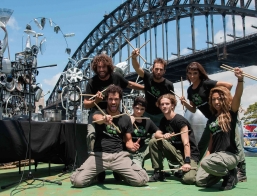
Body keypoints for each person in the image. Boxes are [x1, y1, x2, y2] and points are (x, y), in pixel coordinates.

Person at [70, 85, 149, 187]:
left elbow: (128, 141)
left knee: (141, 180)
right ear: (107, 99)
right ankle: (97, 175)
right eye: (110, 99)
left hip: (119, 156)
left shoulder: (125, 118)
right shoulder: (99, 113)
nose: (113, 102)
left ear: (120, 100)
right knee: (77, 181)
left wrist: (132, 146)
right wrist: (104, 119)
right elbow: (96, 118)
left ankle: (119, 173)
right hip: (99, 155)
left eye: (116, 99)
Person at [180, 62, 246, 182]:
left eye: (195, 73)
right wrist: (185, 103)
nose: (192, 76)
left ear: (200, 74)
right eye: (190, 74)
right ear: (187, 75)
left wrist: (218, 97)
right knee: (203, 143)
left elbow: (229, 85)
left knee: (235, 141)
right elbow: (193, 109)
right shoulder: (190, 91)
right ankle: (195, 166)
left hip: (224, 117)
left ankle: (241, 171)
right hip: (211, 120)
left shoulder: (206, 83)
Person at [84, 53, 144, 152]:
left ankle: (119, 156)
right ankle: (92, 159)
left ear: (109, 67)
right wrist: (96, 101)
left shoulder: (116, 77)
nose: (101, 69)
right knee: (91, 135)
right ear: (95, 68)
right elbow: (86, 104)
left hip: (114, 113)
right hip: (96, 114)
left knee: (121, 134)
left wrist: (145, 88)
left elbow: (129, 84)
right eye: (99, 67)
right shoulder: (92, 82)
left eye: (103, 67)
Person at [195, 67, 244, 191]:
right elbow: (211, 143)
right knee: (200, 181)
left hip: (229, 155)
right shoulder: (211, 119)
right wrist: (206, 157)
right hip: (215, 157)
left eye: (220, 99)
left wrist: (240, 80)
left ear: (225, 99)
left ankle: (230, 174)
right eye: (214, 99)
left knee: (207, 163)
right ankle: (223, 173)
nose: (216, 101)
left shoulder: (230, 112)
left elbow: (237, 96)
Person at [148, 93, 200, 184]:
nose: (164, 106)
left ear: (172, 105)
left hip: (188, 155)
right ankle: (158, 172)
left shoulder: (180, 121)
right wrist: (164, 136)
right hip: (175, 153)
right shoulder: (163, 120)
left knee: (189, 179)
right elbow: (157, 134)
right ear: (159, 106)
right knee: (154, 141)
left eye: (167, 104)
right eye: (162, 104)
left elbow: (186, 143)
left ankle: (191, 169)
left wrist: (187, 161)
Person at [131, 49, 174, 126]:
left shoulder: (169, 84)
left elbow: (172, 103)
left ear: (164, 71)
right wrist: (134, 58)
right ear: (152, 69)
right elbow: (137, 68)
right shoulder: (147, 77)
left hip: (161, 115)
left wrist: (171, 118)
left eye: (161, 70)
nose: (158, 72)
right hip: (147, 113)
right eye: (156, 69)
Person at [129, 96, 160, 167]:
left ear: (145, 110)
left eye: (142, 109)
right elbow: (121, 134)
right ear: (133, 107)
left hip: (143, 151)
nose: (139, 111)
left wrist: (158, 135)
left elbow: (158, 131)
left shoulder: (147, 120)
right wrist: (130, 123)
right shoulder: (126, 119)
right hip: (129, 151)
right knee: (133, 173)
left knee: (159, 142)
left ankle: (158, 170)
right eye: (137, 108)